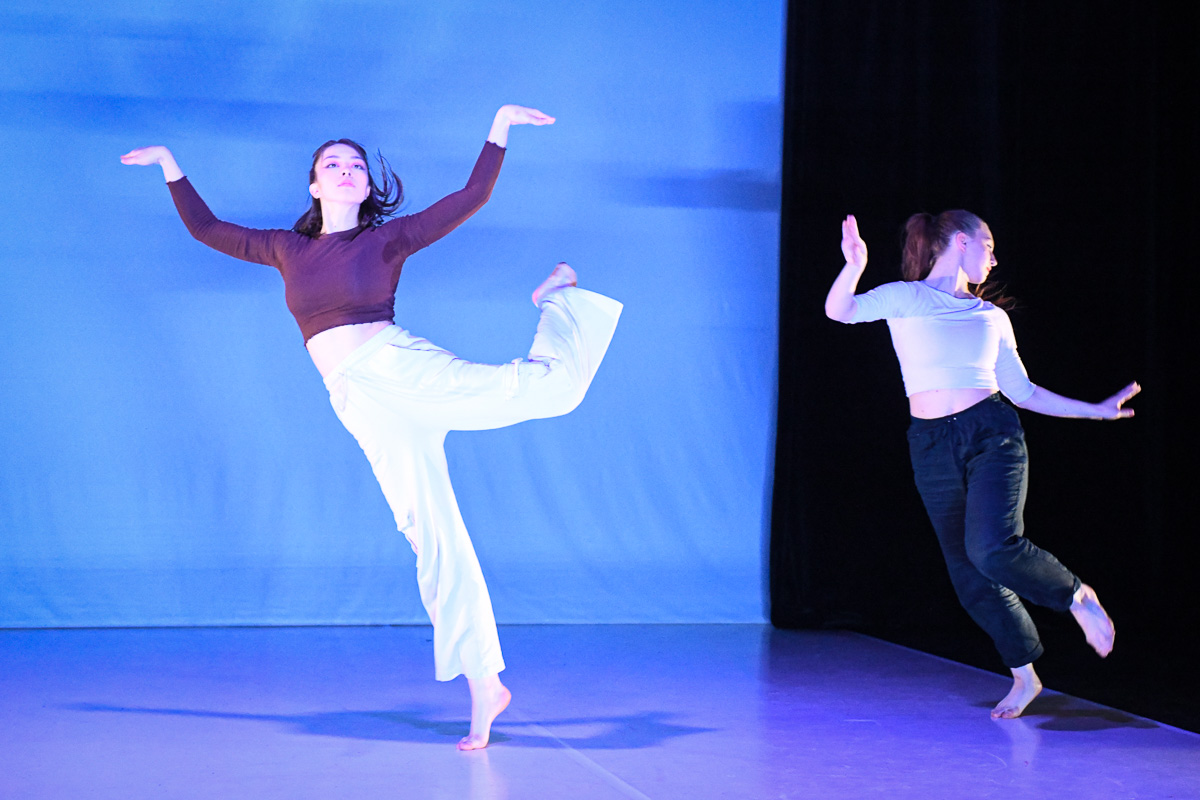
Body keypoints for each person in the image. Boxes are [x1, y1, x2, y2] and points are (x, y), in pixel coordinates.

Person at [121, 104, 623, 749]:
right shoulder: (286, 249)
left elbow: (470, 196)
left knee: (555, 390)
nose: (347, 170)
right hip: (357, 400)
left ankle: (558, 298)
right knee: (432, 537)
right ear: (314, 184)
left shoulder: (387, 240)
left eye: (356, 164)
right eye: (333, 163)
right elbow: (207, 229)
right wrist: (170, 165)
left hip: (399, 369)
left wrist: (499, 125)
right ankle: (485, 685)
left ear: (365, 185)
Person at [824, 211, 1138, 719]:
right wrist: (854, 266)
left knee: (992, 548)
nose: (994, 258)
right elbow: (840, 310)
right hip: (930, 443)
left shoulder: (991, 318)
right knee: (968, 572)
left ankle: (1076, 595)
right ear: (962, 242)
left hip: (992, 434)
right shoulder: (907, 298)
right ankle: (1025, 675)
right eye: (988, 246)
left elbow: (1024, 392)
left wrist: (1094, 410)